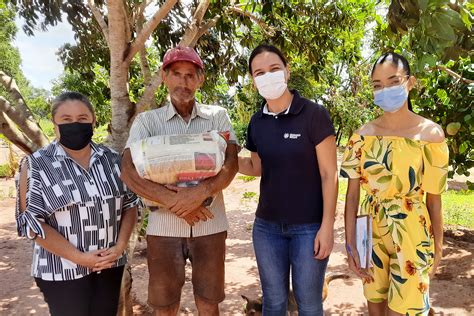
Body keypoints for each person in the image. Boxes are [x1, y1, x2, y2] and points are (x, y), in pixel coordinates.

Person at [120, 46, 238, 316]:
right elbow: (128, 170)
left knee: (209, 302)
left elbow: (231, 164)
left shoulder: (218, 116)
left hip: (210, 224)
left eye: (190, 75)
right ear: (164, 76)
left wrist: (201, 192)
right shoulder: (147, 122)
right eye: (176, 74)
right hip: (163, 228)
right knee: (165, 304)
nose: (183, 82)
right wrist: (175, 200)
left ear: (200, 80)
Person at [341, 52, 448, 316]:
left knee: (406, 310)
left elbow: (434, 199)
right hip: (370, 230)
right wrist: (351, 244)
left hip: (413, 230)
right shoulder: (361, 136)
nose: (385, 89)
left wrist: (438, 247)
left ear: (410, 82)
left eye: (393, 81)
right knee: (375, 307)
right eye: (377, 85)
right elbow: (352, 197)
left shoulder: (431, 135)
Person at [15, 92, 141, 316]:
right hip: (62, 271)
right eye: (66, 119)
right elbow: (32, 224)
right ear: (54, 124)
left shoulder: (112, 159)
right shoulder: (36, 165)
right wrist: (80, 258)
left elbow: (130, 204)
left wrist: (120, 247)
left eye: (83, 118)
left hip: (109, 265)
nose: (75, 124)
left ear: (93, 120)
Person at [238, 44, 338, 316]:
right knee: (273, 302)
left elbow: (330, 174)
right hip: (267, 229)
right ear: (253, 80)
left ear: (287, 71)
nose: (267, 76)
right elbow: (257, 167)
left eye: (274, 69)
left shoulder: (314, 115)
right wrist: (223, 158)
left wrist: (327, 226)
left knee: (308, 302)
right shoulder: (257, 122)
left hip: (309, 228)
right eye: (259, 72)